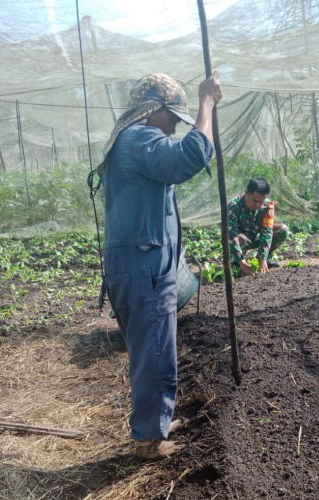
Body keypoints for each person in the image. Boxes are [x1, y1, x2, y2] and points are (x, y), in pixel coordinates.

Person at [98, 72, 222, 459]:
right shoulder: (139, 138)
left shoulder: (133, 142)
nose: (173, 126)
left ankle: (156, 422)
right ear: (153, 110)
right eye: (172, 117)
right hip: (143, 265)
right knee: (153, 350)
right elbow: (188, 158)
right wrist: (207, 104)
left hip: (141, 262)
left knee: (156, 347)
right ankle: (148, 442)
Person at [228, 178, 290, 275]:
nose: (258, 205)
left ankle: (267, 259)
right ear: (246, 193)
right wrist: (242, 262)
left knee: (283, 229)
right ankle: (236, 263)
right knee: (240, 239)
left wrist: (262, 258)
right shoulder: (233, 206)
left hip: (257, 237)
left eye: (261, 201)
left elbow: (267, 231)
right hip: (242, 240)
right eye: (255, 200)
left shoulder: (268, 205)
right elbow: (230, 236)